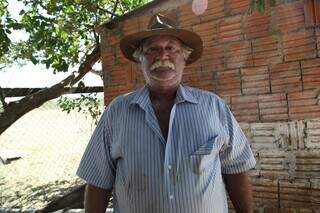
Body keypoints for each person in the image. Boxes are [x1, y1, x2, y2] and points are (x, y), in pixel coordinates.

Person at [77, 14, 256, 213]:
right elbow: (98, 181)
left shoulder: (213, 106)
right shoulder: (117, 111)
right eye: (152, 49)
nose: (162, 56)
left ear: (184, 58)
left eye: (171, 48)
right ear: (140, 59)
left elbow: (236, 169)